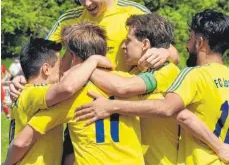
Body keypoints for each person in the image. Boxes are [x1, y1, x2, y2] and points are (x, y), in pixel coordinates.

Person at [9, 0, 179, 100]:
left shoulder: (134, 12)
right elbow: (41, 58)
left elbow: (171, 52)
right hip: (79, 104)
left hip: (125, 102)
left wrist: (164, 52)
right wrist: (24, 78)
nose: (87, 3)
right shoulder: (68, 19)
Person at [76, 9, 229, 164]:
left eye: (128, 40)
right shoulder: (137, 72)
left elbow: (172, 110)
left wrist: (85, 67)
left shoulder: (177, 72)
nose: (123, 46)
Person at [4, 23, 152, 165]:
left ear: (73, 57)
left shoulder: (70, 97)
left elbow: (22, 141)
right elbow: (163, 106)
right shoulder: (131, 82)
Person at [4, 37, 112, 165]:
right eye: (60, 66)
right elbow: (66, 88)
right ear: (46, 69)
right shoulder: (35, 92)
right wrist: (92, 61)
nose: (63, 71)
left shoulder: (25, 92)